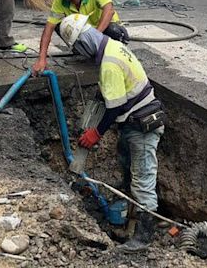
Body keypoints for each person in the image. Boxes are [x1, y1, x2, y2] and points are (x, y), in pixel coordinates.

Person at [60, 14, 164, 253]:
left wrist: (95, 133)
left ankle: (144, 238)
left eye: (78, 49)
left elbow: (114, 106)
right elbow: (109, 95)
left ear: (84, 44)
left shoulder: (109, 64)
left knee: (142, 180)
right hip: (133, 121)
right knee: (130, 173)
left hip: (143, 125)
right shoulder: (114, 46)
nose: (80, 55)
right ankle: (131, 227)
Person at [31, 0, 129, 75]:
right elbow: (49, 28)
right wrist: (41, 59)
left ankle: (114, 57)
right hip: (84, 34)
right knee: (60, 25)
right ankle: (84, 52)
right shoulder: (59, 1)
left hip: (104, 32)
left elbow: (109, 10)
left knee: (115, 30)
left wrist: (95, 37)